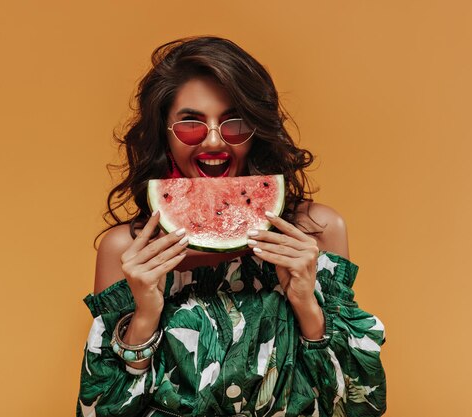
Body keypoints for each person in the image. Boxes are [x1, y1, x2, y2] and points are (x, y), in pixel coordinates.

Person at [77, 36, 386, 417]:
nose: (213, 141)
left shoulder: (318, 231)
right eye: (190, 124)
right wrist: (143, 317)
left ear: (256, 131)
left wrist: (307, 303)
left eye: (234, 124)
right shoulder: (127, 250)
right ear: (164, 134)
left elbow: (359, 405)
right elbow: (97, 410)